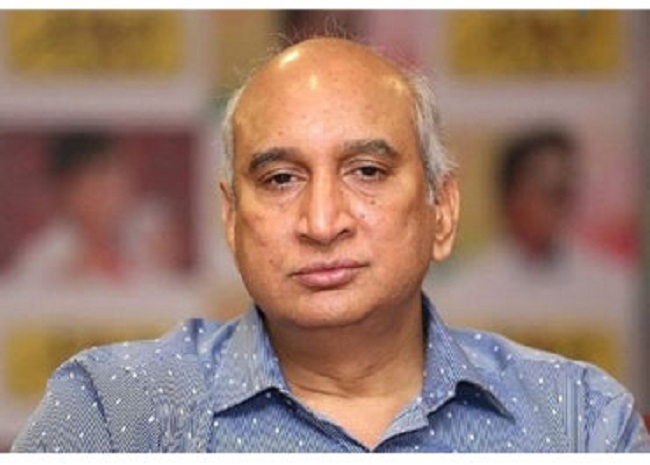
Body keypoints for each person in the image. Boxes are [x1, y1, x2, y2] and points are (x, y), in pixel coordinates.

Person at [12, 37, 650, 452]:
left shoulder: (577, 421)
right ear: (231, 220)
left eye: (367, 172)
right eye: (280, 179)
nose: (322, 222)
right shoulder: (117, 413)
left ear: (443, 211)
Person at [425, 128, 637, 379]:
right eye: (546, 189)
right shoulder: (461, 295)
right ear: (510, 195)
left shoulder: (616, 289)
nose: (558, 203)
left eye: (564, 190)